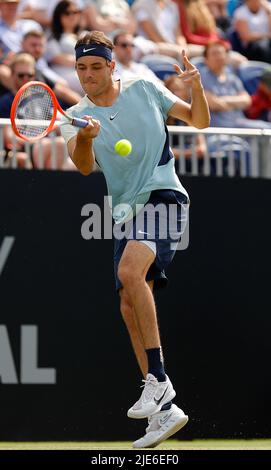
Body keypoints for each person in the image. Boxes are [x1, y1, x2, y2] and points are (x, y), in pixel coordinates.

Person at [60, 30, 210, 448]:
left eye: (96, 67)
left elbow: (198, 121)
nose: (88, 75)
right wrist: (87, 139)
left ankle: (159, 380)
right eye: (81, 68)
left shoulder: (145, 88)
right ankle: (163, 412)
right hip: (125, 212)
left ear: (112, 66)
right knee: (129, 298)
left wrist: (197, 87)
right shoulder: (75, 117)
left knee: (130, 271)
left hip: (164, 195)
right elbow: (85, 168)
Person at [0, 53, 68, 169]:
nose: (26, 78)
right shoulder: (6, 102)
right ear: (12, 75)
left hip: (43, 148)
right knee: (59, 144)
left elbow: (58, 125)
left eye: (30, 75)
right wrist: (35, 140)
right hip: (23, 150)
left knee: (66, 153)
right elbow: (9, 137)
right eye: (21, 75)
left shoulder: (43, 99)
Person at [200, 40, 271, 128]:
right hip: (218, 129)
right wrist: (235, 103)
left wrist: (223, 101)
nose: (219, 57)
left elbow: (247, 101)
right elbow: (213, 104)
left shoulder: (232, 77)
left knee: (266, 128)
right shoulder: (200, 77)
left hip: (239, 124)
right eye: (214, 54)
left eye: (221, 53)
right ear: (206, 59)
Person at [45, 0, 84, 95]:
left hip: (84, 72)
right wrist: (87, 61)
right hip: (65, 78)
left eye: (75, 12)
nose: (72, 16)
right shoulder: (52, 37)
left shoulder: (85, 34)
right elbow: (57, 58)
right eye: (67, 13)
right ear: (59, 16)